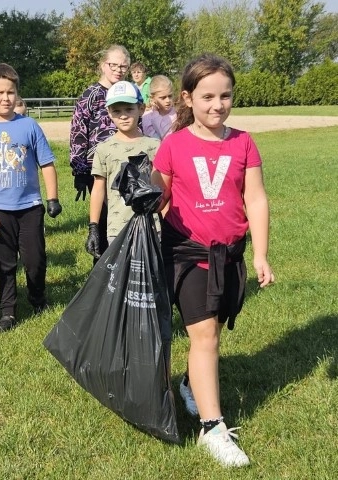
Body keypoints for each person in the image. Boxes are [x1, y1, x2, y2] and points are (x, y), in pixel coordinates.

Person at [151, 54, 274, 467]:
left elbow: (255, 198)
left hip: (230, 256)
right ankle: (212, 428)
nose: (217, 105)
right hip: (186, 254)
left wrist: (259, 254)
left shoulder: (243, 142)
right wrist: (140, 190)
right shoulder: (174, 144)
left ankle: (190, 383)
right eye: (207, 97)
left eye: (225, 96)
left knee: (212, 329)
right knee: (205, 336)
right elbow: (157, 196)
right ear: (188, 98)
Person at [0, 63, 62, 333]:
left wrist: (52, 198)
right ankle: (7, 311)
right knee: (4, 264)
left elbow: (46, 163)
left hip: (30, 207)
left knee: (35, 260)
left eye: (10, 92)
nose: (5, 98)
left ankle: (37, 297)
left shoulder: (29, 126)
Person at [85, 81, 160, 258]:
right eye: (117, 111)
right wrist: (94, 226)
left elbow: (162, 188)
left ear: (141, 109)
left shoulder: (155, 146)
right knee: (120, 281)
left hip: (150, 227)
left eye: (129, 109)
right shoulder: (103, 149)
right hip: (117, 227)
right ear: (109, 113)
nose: (123, 116)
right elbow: (98, 189)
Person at [69, 45, 130, 261]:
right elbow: (78, 130)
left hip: (125, 165)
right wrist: (80, 169)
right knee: (104, 219)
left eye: (123, 65)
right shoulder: (91, 94)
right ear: (103, 65)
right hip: (99, 169)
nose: (118, 69)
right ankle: (101, 267)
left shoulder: (129, 93)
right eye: (113, 64)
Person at [142, 75, 176, 140]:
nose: (168, 100)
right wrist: (155, 114)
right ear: (152, 98)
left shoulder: (177, 114)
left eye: (170, 96)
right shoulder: (147, 117)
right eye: (163, 98)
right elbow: (156, 140)